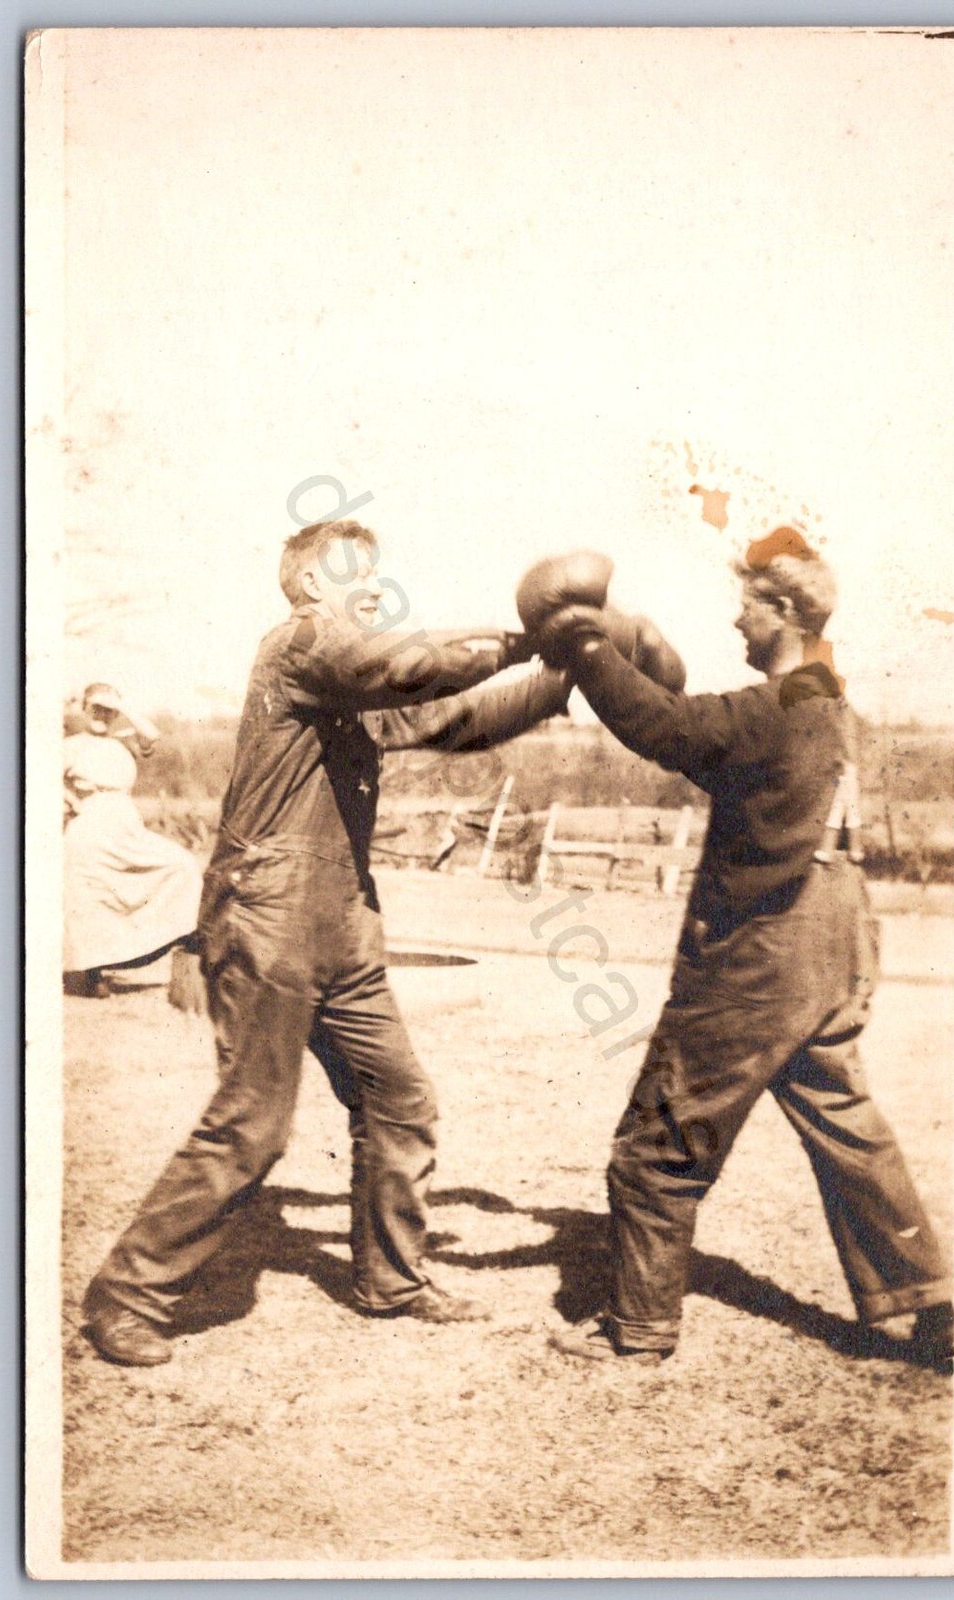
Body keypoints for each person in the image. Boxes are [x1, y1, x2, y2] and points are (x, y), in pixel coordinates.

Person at [82, 519, 585, 1366]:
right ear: (312, 584)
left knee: (399, 1101)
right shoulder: (301, 648)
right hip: (268, 915)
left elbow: (454, 718)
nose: (378, 588)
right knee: (252, 1126)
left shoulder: (350, 691)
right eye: (359, 573)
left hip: (344, 922)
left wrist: (566, 676)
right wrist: (519, 642)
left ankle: (392, 1279)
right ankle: (126, 1295)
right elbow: (412, 666)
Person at [534, 532, 954, 1372]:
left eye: (748, 607)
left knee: (656, 1147)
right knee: (845, 1125)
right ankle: (933, 1304)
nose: (736, 621)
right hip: (837, 942)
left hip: (765, 953)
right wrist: (630, 649)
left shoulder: (778, 707)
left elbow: (669, 728)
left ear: (786, 611)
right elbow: (718, 751)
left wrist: (584, 645)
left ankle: (638, 1329)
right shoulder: (833, 704)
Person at [63, 685, 203, 998]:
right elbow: (40, 776)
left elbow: (151, 735)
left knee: (181, 864)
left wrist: (120, 706)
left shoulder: (122, 742)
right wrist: (69, 798)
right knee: (92, 897)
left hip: (126, 824)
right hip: (90, 824)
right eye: (95, 708)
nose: (101, 715)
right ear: (84, 709)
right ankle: (92, 972)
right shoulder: (70, 745)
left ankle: (174, 937)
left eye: (107, 710)